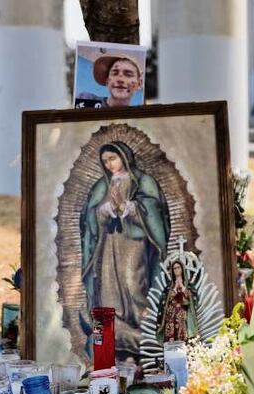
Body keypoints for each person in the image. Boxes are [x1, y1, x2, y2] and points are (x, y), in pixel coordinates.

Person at [80, 141, 170, 361]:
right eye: (105, 161)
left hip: (134, 244)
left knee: (133, 284)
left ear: (124, 156)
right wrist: (105, 210)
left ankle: (143, 335)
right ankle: (113, 342)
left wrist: (129, 208)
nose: (109, 164)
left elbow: (155, 210)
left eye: (113, 158)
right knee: (109, 288)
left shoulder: (143, 181)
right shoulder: (102, 185)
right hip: (108, 244)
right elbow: (89, 216)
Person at [75, 54, 144, 108]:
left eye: (128, 74)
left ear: (139, 83)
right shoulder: (86, 99)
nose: (120, 79)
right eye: (115, 73)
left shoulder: (137, 117)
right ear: (107, 81)